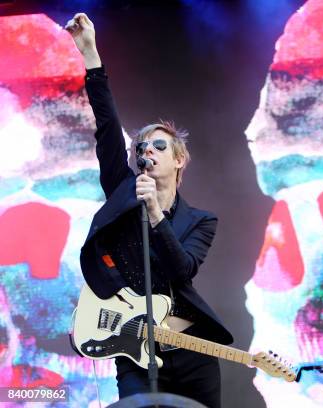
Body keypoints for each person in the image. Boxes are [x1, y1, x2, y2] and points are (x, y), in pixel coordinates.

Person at [66, 13, 232, 407]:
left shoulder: (201, 221)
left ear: (179, 160)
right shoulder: (124, 192)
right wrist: (91, 55)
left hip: (191, 345)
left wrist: (157, 214)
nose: (148, 152)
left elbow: (183, 269)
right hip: (135, 346)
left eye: (159, 146)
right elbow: (107, 126)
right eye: (142, 147)